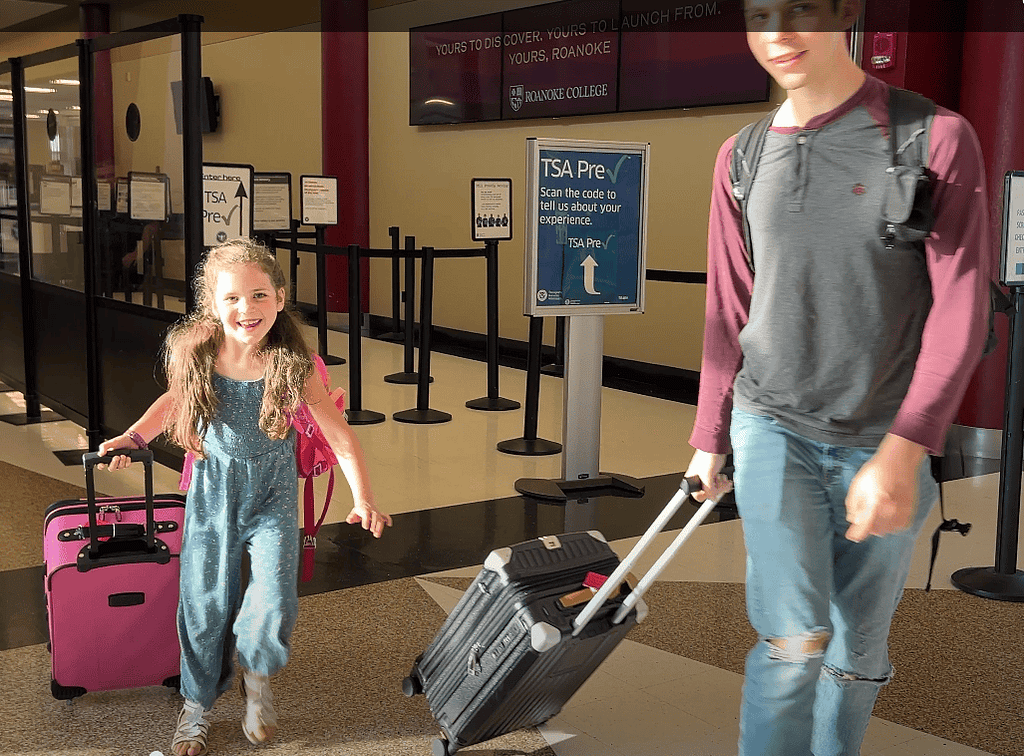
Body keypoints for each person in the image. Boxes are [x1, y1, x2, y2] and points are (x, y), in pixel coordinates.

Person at [683, 1, 991, 754]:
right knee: (793, 644)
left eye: (800, 12)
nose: (778, 36)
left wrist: (903, 451)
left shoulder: (933, 138)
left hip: (883, 433)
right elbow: (729, 308)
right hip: (771, 423)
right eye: (760, 15)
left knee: (855, 654)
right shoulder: (742, 154)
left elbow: (961, 311)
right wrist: (708, 438)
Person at [97, 238, 392, 756]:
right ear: (212, 303)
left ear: (279, 298)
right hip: (212, 495)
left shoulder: (291, 365)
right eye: (232, 298)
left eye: (258, 296)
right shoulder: (199, 356)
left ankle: (257, 678)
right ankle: (197, 707)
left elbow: (342, 437)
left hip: (273, 499)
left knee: (274, 600)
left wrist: (364, 498)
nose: (246, 310)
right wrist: (133, 437)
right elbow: (172, 403)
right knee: (205, 604)